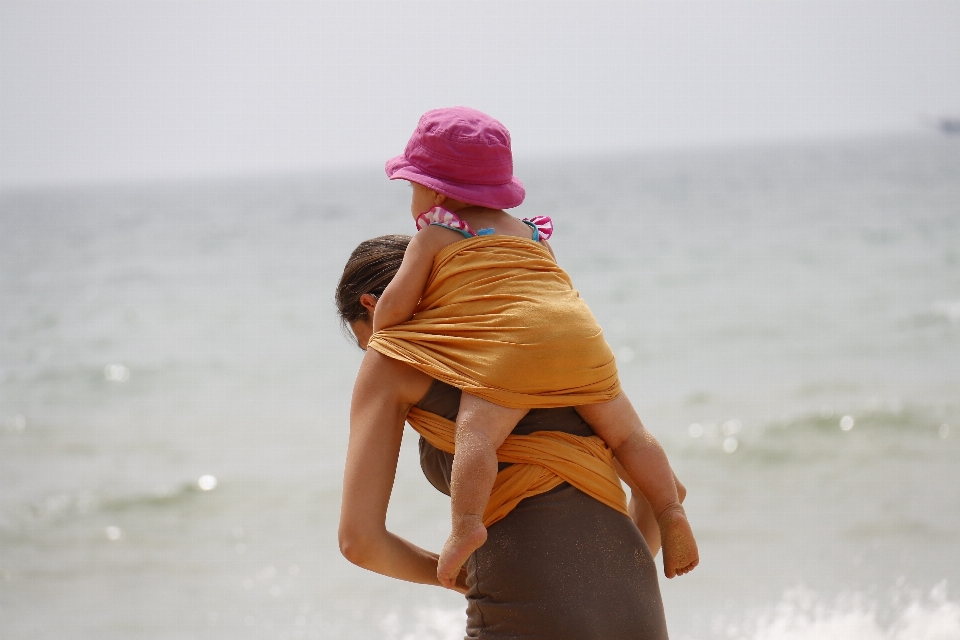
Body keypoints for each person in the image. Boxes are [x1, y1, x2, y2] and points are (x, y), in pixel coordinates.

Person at [368, 106, 697, 585]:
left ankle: (465, 527)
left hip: (512, 352)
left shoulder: (438, 233)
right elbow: (551, 290)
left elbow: (395, 309)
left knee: (476, 436)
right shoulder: (531, 233)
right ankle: (669, 510)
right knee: (629, 436)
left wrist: (385, 322)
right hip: (580, 340)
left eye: (413, 186)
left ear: (435, 189)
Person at [336, 235, 678, 639]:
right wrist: (608, 581)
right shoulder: (538, 341)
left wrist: (451, 576)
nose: (372, 349)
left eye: (365, 341)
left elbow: (359, 540)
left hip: (523, 612)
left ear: (372, 306)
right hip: (637, 611)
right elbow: (666, 490)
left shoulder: (391, 356)